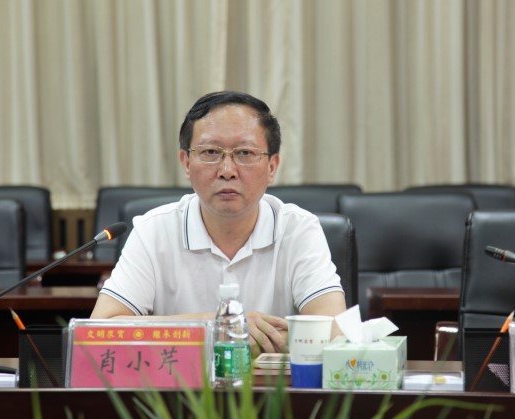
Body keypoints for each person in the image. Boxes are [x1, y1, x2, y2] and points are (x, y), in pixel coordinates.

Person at [91, 91, 346, 356]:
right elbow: (100, 330)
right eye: (210, 152)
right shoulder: (153, 231)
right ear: (186, 163)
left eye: (245, 153)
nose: (227, 171)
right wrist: (217, 326)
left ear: (272, 166)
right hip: (179, 383)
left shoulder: (298, 229)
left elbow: (335, 331)